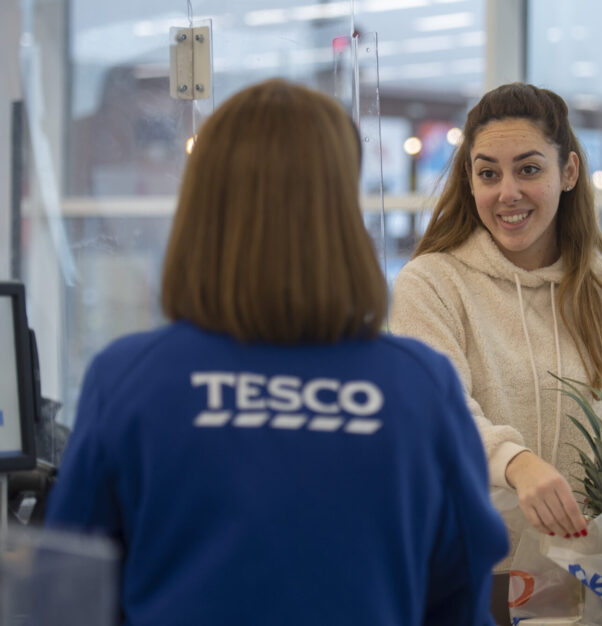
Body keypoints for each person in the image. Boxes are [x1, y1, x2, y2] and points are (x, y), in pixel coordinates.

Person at [44, 79, 508, 626]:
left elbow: (66, 597)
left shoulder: (130, 379)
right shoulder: (419, 389)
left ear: (201, 211)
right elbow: (459, 597)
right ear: (340, 212)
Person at [390, 83, 602, 567]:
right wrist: (515, 463)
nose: (507, 193)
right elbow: (435, 417)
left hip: (593, 576)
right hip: (471, 573)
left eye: (528, 169)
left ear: (568, 172)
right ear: (469, 179)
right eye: (488, 173)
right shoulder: (431, 284)